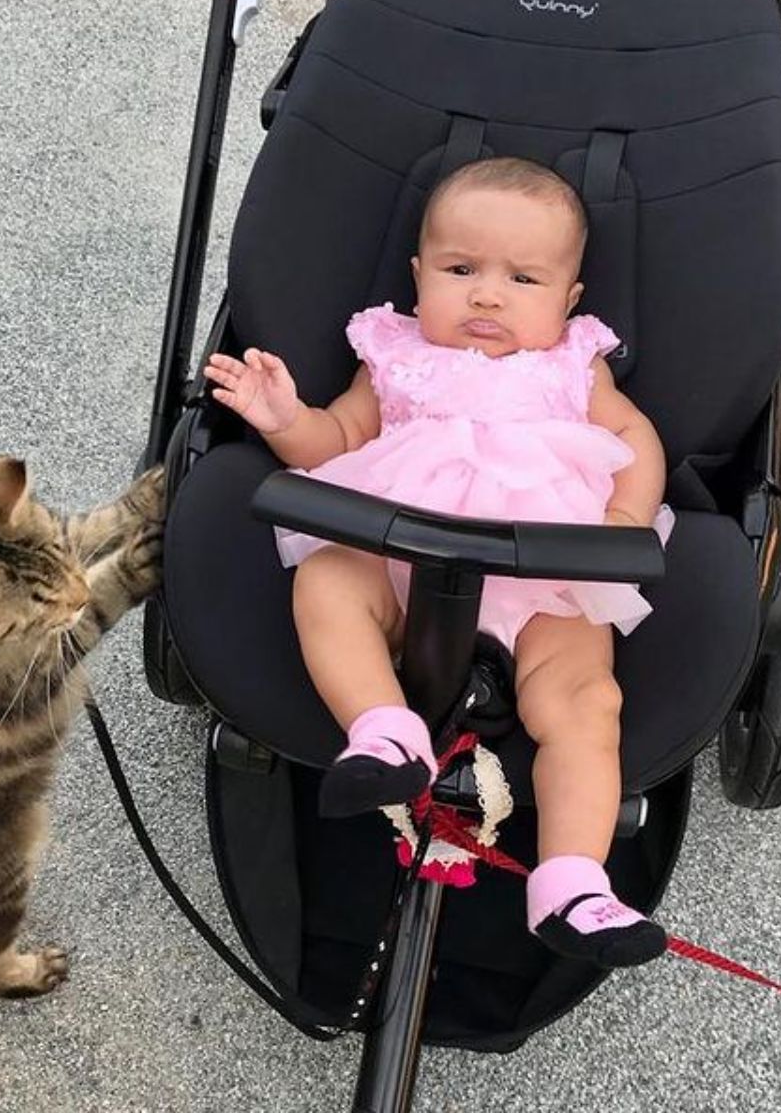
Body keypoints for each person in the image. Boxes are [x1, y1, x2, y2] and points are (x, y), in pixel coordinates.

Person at [205, 157, 672, 967]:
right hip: (396, 549)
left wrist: (623, 522)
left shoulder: (571, 363)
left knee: (585, 701)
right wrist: (284, 419)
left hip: (548, 572)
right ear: (419, 278)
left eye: (523, 279)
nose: (487, 295)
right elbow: (338, 439)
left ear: (568, 302)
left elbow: (635, 439)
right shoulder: (393, 353)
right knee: (326, 580)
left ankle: (571, 880)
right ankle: (383, 731)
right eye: (461, 270)